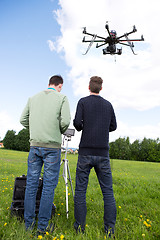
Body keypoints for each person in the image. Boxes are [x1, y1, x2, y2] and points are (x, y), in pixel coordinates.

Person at [20, 75, 70, 235]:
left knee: (31, 186)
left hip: (34, 146)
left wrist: (35, 129)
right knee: (48, 187)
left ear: (49, 83)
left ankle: (28, 226)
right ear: (59, 85)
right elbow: (65, 121)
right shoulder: (62, 98)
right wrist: (58, 130)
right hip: (52, 148)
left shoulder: (32, 98)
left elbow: (23, 119)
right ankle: (42, 228)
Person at [73, 76, 117, 238]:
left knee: (80, 191)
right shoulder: (108, 105)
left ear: (89, 87)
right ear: (101, 88)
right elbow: (113, 126)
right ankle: (110, 230)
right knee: (108, 192)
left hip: (85, 153)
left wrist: (86, 125)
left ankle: (79, 228)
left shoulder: (83, 102)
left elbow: (77, 124)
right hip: (103, 154)